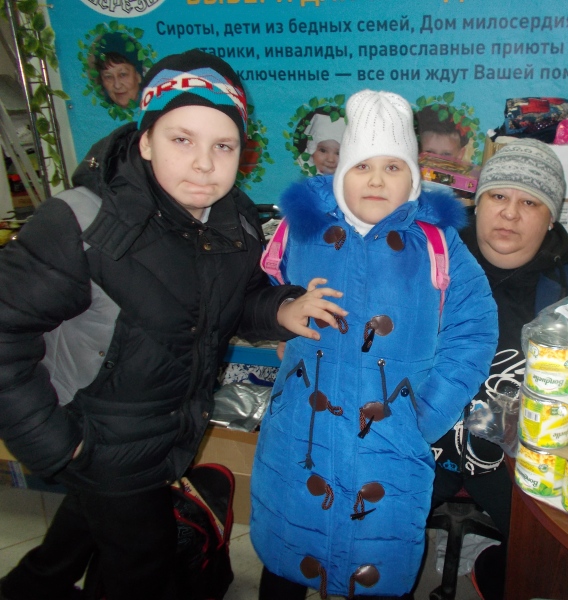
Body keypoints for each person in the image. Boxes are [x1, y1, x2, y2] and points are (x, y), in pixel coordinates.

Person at [0, 50, 345, 600]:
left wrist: (281, 309)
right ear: (145, 141)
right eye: (182, 140)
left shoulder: (234, 220)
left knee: (78, 532)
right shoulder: (81, 221)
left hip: (165, 436)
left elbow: (235, 300)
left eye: (223, 146)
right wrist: (57, 444)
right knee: (142, 568)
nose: (204, 164)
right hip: (96, 438)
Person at [250, 90, 498, 600]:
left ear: (414, 177)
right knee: (286, 552)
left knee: (379, 560)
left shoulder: (438, 244)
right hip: (301, 433)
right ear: (342, 170)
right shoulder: (299, 231)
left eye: (393, 166)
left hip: (390, 440)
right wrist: (280, 318)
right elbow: (258, 293)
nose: (377, 180)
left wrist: (423, 414)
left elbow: (473, 330)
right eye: (363, 165)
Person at [430, 139, 568, 600]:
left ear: (551, 217)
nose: (510, 213)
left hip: (522, 457)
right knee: (370, 526)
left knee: (564, 558)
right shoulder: (430, 261)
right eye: (498, 196)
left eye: (530, 202)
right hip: (424, 438)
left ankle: (499, 572)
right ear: (477, 202)